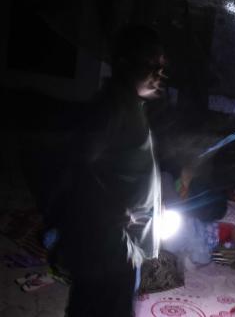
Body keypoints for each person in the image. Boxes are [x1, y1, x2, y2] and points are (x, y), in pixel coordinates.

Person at [56, 25, 166, 316]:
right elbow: (78, 164)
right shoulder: (112, 108)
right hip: (108, 247)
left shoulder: (132, 106)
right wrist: (116, 212)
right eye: (151, 65)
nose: (158, 74)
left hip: (121, 246)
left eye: (161, 67)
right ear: (126, 64)